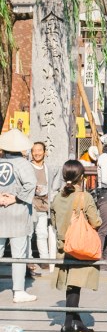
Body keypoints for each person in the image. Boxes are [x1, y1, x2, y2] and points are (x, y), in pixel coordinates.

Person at [49, 159, 102, 332]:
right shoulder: (84, 197)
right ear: (82, 177)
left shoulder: (58, 197)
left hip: (63, 247)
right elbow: (96, 222)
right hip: (79, 247)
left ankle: (76, 323)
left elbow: (55, 222)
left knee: (72, 287)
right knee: (75, 286)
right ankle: (68, 323)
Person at [0, 128, 37, 302]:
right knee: (19, 254)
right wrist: (15, 197)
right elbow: (31, 184)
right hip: (17, 214)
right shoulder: (23, 164)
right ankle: (19, 291)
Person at [28, 140, 59, 275]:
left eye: (39, 150)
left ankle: (44, 259)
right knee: (28, 234)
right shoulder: (28, 167)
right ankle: (28, 260)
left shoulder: (48, 168)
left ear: (45, 152)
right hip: (30, 205)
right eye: (34, 150)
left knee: (42, 234)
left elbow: (53, 186)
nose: (37, 153)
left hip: (43, 206)